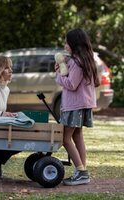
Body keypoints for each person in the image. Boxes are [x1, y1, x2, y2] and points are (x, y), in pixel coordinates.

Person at [55, 28, 100, 186]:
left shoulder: (76, 62)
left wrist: (58, 75)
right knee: (77, 136)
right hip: (82, 104)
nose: (65, 45)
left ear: (74, 43)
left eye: (67, 42)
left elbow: (71, 85)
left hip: (75, 106)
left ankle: (81, 172)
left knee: (65, 138)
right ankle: (82, 170)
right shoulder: (85, 59)